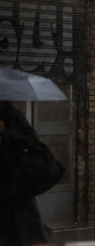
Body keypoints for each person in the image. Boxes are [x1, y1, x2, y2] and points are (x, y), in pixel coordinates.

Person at [0, 101, 51, 246]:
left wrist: (6, 132)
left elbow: (32, 142)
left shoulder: (12, 116)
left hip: (13, 185)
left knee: (23, 233)